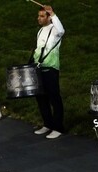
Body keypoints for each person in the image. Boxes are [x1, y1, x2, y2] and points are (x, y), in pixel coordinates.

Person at [32, 5, 64, 139]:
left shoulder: (55, 30)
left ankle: (58, 127)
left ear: (49, 17)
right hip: (39, 68)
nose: (39, 18)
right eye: (39, 16)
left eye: (42, 16)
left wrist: (53, 14)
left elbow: (62, 30)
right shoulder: (40, 31)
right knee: (41, 97)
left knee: (54, 97)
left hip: (51, 68)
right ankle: (48, 124)